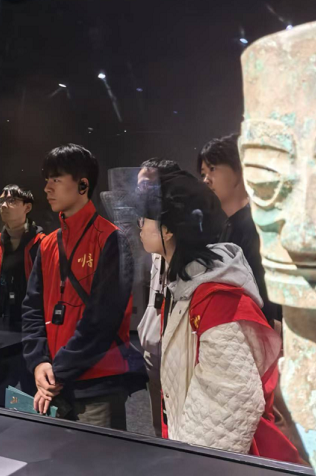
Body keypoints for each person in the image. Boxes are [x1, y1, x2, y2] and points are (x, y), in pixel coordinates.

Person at [136, 169, 301, 462]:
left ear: (168, 230)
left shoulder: (215, 298)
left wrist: (192, 462)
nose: (140, 225)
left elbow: (234, 397)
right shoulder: (184, 285)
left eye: (145, 218)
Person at [22, 144, 136, 429]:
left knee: (99, 455)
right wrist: (39, 362)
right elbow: (32, 308)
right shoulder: (48, 244)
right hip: (54, 381)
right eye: (46, 179)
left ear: (83, 185)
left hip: (97, 386)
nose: (47, 188)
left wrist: (56, 372)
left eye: (56, 179)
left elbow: (102, 321)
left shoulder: (111, 239)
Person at [198, 134, 280, 326]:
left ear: (239, 169)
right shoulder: (226, 226)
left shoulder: (256, 226)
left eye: (212, 169)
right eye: (203, 173)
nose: (206, 180)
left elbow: (264, 297)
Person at [0, 185, 44, 406]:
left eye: (12, 201)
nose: (5, 206)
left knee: (37, 397)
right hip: (3, 329)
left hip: (32, 331)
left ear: (27, 207)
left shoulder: (42, 243)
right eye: (1, 202)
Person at [136, 157, 181, 437]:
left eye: (147, 186)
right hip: (154, 347)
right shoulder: (154, 240)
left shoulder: (180, 240)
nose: (140, 193)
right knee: (159, 427)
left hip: (177, 352)